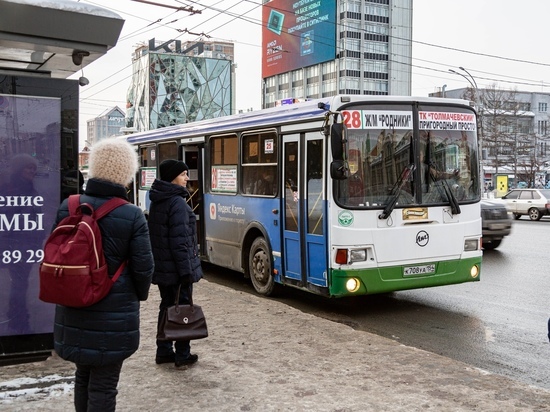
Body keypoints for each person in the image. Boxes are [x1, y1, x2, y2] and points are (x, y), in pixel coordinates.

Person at [52, 139, 154, 412]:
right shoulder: (132, 215)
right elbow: (144, 267)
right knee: (104, 384)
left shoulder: (69, 206)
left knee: (83, 375)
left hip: (73, 304)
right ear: (125, 173)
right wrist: (137, 294)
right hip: (114, 309)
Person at [148, 159, 203, 367]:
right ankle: (182, 354)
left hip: (164, 268)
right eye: (183, 174)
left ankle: (163, 350)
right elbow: (180, 242)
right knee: (182, 310)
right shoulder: (177, 203)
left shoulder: (158, 199)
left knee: (167, 307)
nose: (187, 178)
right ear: (172, 177)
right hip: (178, 270)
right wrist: (186, 272)